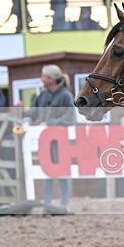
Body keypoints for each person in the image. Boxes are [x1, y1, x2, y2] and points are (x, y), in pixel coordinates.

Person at [30, 64, 76, 208]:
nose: (41, 79)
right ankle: (47, 202)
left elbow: (69, 119)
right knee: (46, 170)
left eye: (44, 76)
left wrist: (49, 123)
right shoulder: (42, 96)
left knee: (61, 170)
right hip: (45, 140)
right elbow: (33, 114)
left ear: (51, 79)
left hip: (60, 140)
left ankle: (64, 202)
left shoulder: (65, 96)